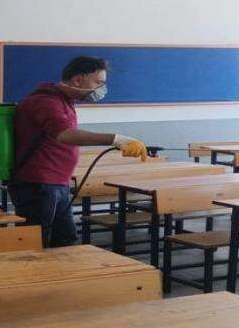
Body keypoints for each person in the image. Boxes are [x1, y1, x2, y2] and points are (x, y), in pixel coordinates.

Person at [9, 55, 148, 247]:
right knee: (37, 243)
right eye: (98, 82)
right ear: (77, 80)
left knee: (65, 239)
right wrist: (115, 139)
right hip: (39, 184)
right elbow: (65, 134)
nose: (102, 89)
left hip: (56, 183)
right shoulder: (45, 100)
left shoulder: (64, 100)